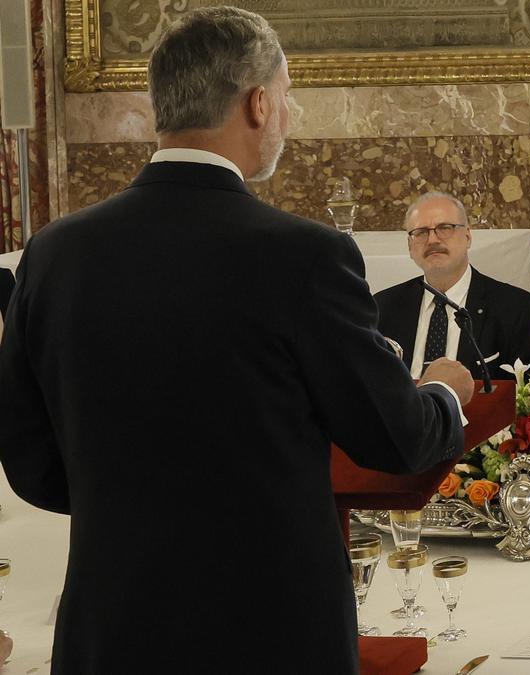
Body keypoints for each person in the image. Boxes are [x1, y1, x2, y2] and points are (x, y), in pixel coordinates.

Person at [0, 7, 474, 673]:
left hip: (112, 631)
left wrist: (138, 509)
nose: (289, 113)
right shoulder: (302, 256)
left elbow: (28, 457)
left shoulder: (53, 253)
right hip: (270, 632)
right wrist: (445, 397)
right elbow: (394, 438)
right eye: (286, 96)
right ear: (257, 104)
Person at [374, 191, 530, 380]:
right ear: (409, 247)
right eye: (421, 232)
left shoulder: (513, 308)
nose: (432, 240)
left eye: (445, 228)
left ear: (467, 236)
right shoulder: (383, 307)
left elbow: (529, 389)